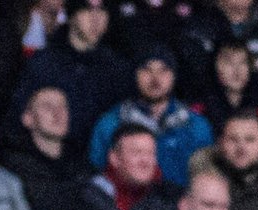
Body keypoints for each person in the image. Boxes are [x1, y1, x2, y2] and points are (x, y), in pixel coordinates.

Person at [7, 0, 135, 164]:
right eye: (87, 10)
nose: (95, 18)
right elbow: (19, 117)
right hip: (46, 164)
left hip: (100, 165)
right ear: (72, 15)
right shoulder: (44, 63)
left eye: (102, 11)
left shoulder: (117, 69)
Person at [87, 42, 213, 188]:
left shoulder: (196, 125)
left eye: (164, 70)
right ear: (135, 74)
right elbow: (96, 176)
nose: (155, 78)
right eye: (146, 69)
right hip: (124, 208)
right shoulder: (111, 123)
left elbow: (206, 180)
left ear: (174, 76)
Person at [2, 86, 90, 210]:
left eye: (63, 107)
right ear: (27, 118)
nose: (57, 113)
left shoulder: (83, 165)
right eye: (47, 107)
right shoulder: (10, 167)